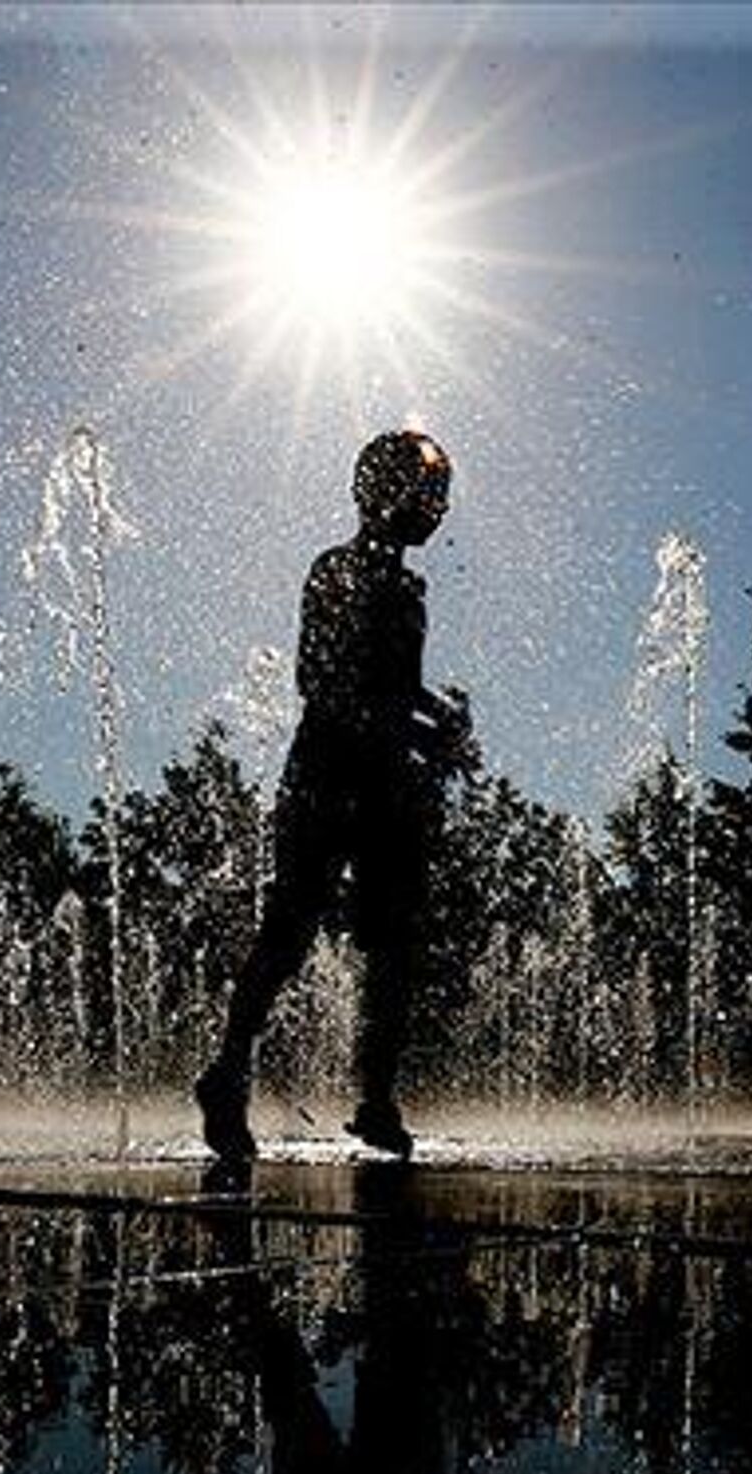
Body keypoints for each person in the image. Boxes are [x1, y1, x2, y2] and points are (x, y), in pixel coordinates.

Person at [195, 428, 470, 1163]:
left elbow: (399, 687)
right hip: (325, 773)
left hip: (384, 782)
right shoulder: (335, 569)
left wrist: (438, 721)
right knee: (289, 932)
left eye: (439, 495)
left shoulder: (411, 590)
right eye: (425, 492)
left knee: (394, 944)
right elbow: (315, 680)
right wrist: (407, 730)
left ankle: (376, 1099)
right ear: (378, 493)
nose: (435, 508)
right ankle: (226, 1075)